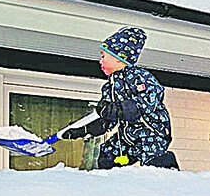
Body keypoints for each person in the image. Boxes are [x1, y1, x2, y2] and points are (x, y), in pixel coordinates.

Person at [60, 26, 178, 170]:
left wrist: (119, 109)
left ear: (119, 58)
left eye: (103, 56)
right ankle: (113, 184)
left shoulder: (139, 76)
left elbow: (150, 98)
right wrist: (82, 129)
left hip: (151, 133)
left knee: (153, 162)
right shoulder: (109, 87)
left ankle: (168, 172)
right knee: (108, 154)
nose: (100, 61)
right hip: (128, 136)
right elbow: (106, 120)